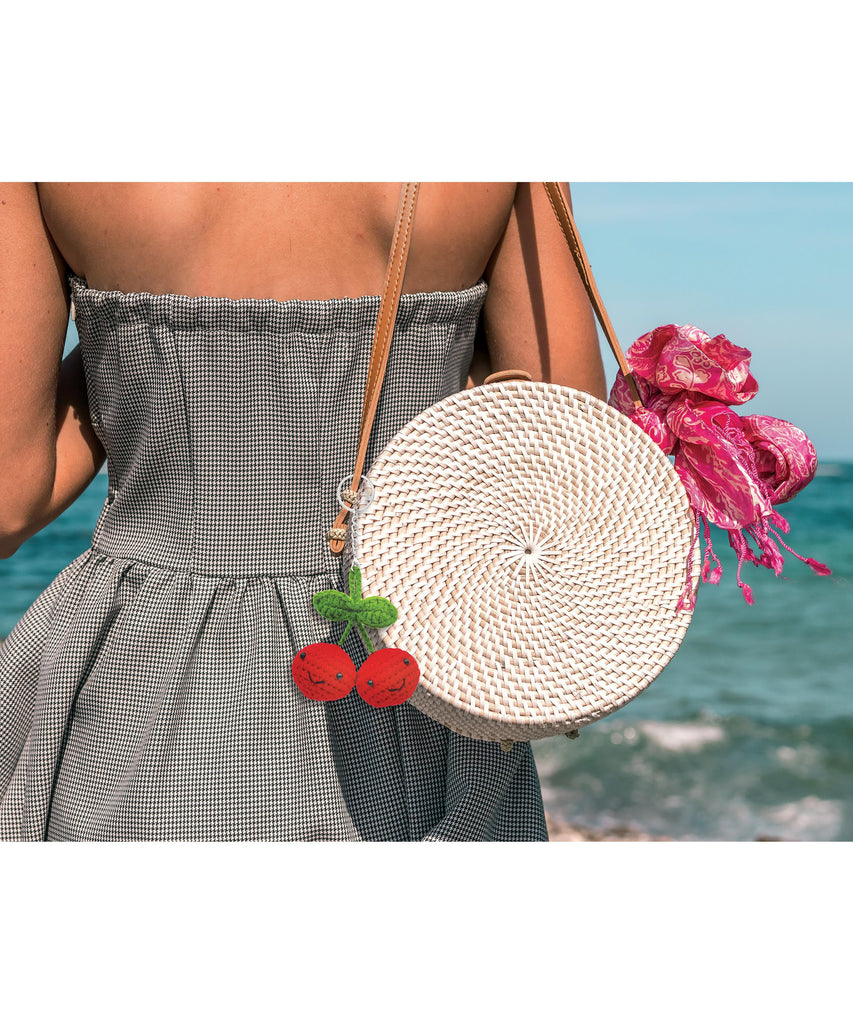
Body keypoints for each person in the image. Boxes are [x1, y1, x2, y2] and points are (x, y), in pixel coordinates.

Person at [0, 182, 606, 841]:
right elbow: (561, 458)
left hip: (147, 667)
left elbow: (10, 500)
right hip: (410, 663)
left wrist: (126, 349)